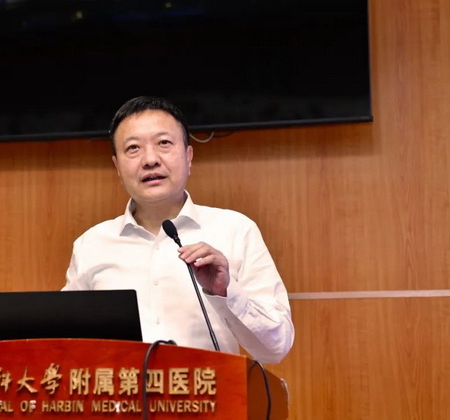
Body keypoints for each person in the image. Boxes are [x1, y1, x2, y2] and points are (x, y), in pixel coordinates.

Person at [62, 96, 294, 364]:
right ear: (117, 166)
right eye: (133, 148)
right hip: (120, 389)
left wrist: (225, 291)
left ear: (188, 156)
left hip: (207, 389)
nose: (150, 160)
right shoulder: (91, 244)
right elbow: (65, 344)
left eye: (164, 143)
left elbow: (276, 348)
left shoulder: (235, 230)